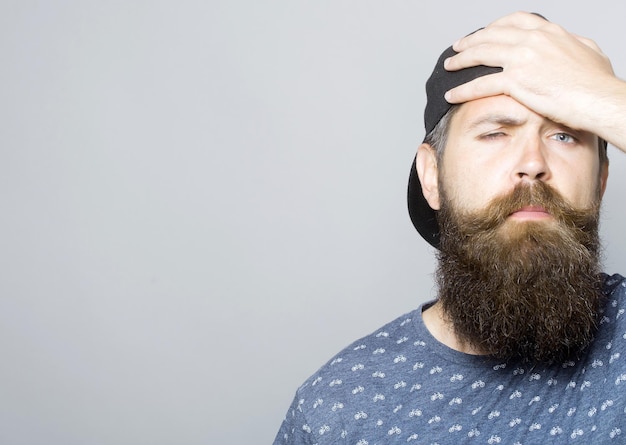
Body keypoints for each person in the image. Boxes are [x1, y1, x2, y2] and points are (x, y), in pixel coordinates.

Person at [274, 12, 626, 444]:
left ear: (601, 180)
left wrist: (610, 100)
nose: (533, 163)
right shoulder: (340, 408)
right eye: (496, 133)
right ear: (432, 178)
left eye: (564, 136)